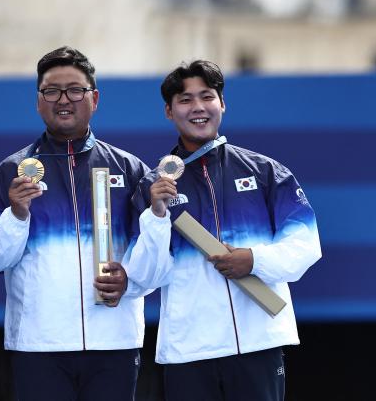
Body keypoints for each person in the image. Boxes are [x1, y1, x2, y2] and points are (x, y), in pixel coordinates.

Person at [127, 60, 322, 401]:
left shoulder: (265, 172)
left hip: (260, 342)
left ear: (222, 104)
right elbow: (144, 276)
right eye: (186, 100)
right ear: (169, 111)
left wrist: (254, 259)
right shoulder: (152, 186)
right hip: (189, 350)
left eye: (207, 96)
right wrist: (157, 215)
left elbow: (306, 246)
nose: (198, 107)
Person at [0, 46, 150, 401]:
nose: (64, 100)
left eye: (75, 90)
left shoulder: (130, 170)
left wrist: (131, 279)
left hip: (114, 341)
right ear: (38, 101)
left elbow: (155, 251)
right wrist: (17, 214)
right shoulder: (10, 173)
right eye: (51, 91)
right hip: (38, 345)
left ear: (94, 98)